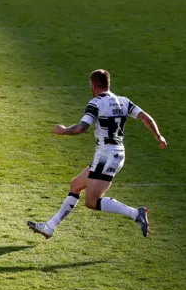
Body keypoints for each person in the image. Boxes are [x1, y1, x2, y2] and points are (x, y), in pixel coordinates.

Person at [28, 69, 167, 239]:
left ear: (93, 86)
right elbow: (145, 117)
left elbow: (81, 128)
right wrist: (158, 136)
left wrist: (62, 130)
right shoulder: (123, 101)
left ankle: (135, 213)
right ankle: (50, 226)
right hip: (113, 153)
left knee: (92, 201)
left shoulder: (96, 103)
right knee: (76, 185)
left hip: (107, 155)